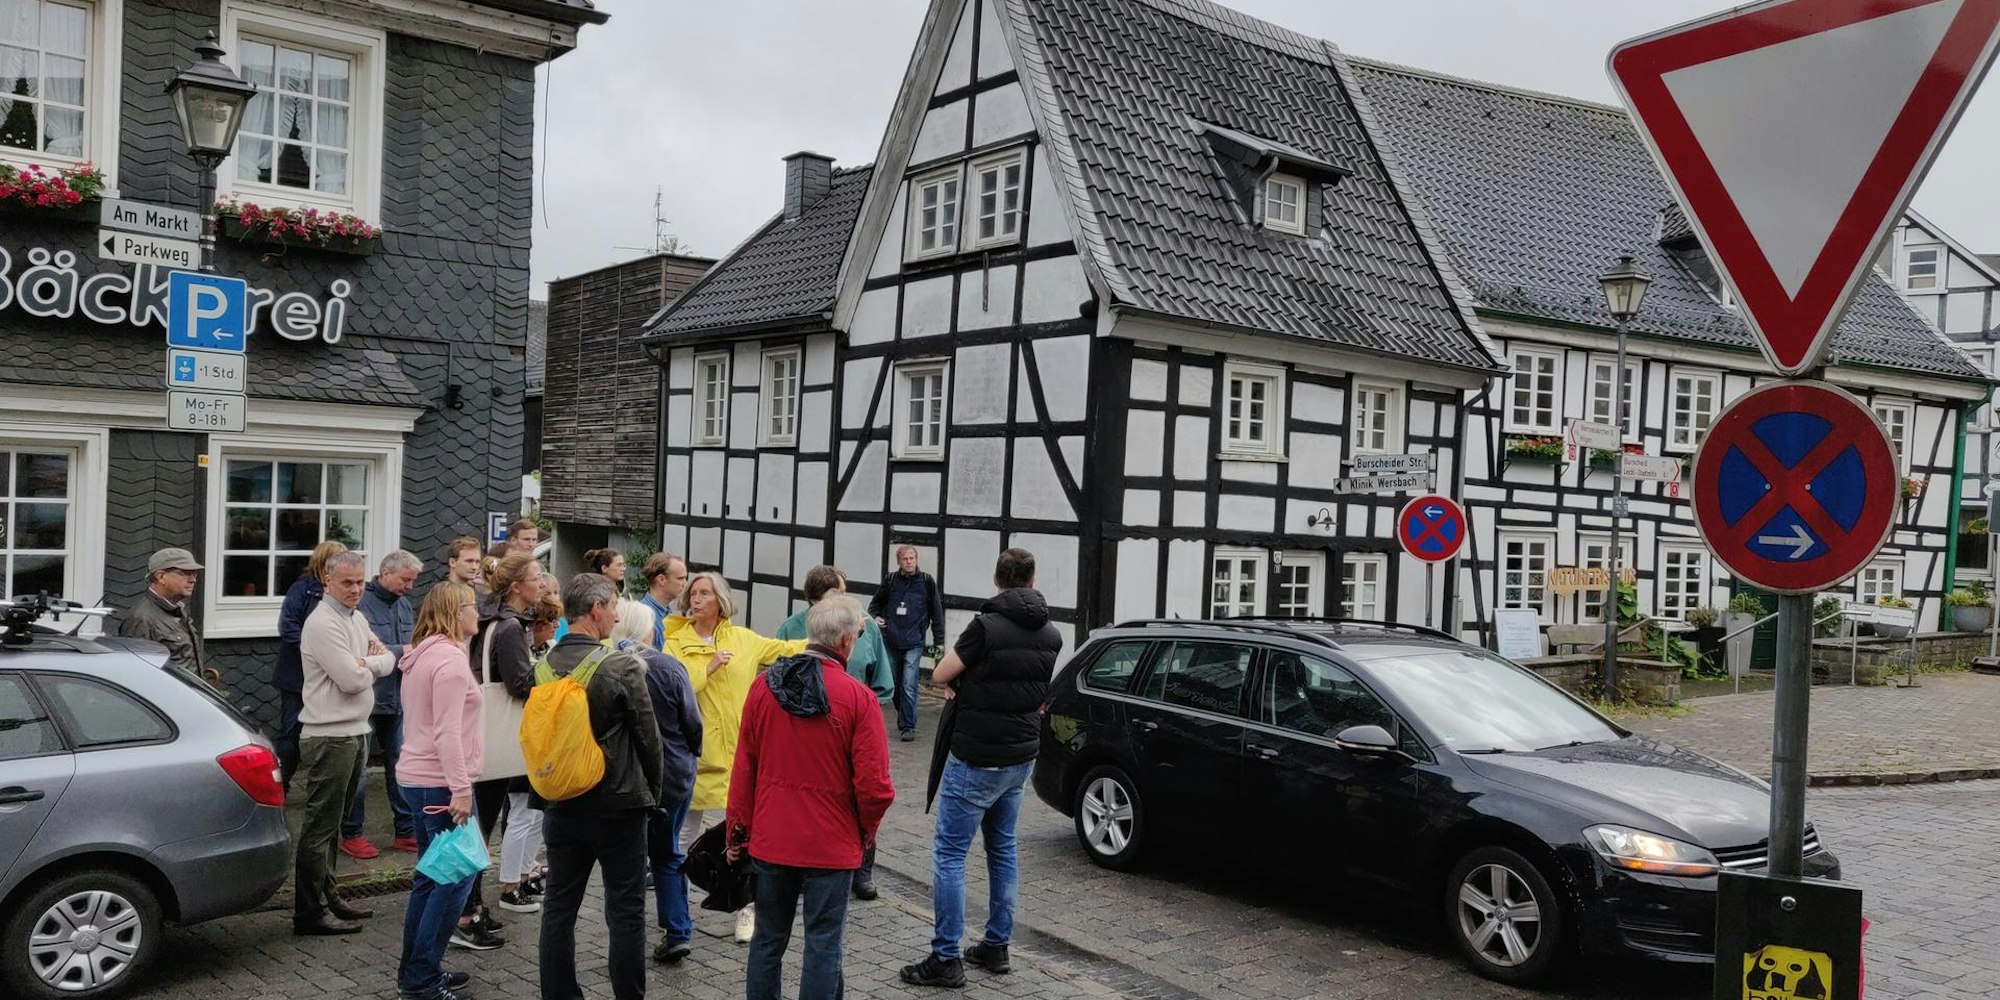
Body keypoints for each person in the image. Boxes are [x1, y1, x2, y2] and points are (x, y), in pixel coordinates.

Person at [900, 548, 1059, 988]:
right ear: (1032, 579)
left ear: (997, 579)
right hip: (1021, 755)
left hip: (976, 756)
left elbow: (941, 673)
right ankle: (996, 945)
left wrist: (960, 684)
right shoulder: (1051, 633)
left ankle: (946, 956)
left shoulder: (984, 627)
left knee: (950, 855)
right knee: (1003, 849)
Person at [729, 596, 895, 1000]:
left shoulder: (762, 689)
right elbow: (875, 787)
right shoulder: (859, 698)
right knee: (823, 943)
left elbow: (744, 769)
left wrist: (737, 833)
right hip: (831, 844)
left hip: (772, 838)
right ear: (845, 640)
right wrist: (864, 833)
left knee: (768, 938)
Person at [661, 572, 807, 944]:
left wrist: (831, 633)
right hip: (697, 755)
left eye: (705, 593)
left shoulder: (743, 639)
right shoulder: (674, 641)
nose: (696, 599)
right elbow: (669, 685)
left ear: (721, 600)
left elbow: (784, 650)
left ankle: (747, 910)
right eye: (693, 593)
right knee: (680, 841)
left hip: (742, 756)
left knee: (746, 838)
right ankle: (677, 919)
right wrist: (705, 670)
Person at [538, 573, 661, 1000]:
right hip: (619, 804)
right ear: (595, 610)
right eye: (612, 607)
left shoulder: (544, 664)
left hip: (562, 800)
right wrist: (654, 795)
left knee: (558, 909)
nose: (615, 615)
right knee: (625, 911)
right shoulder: (620, 665)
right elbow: (649, 739)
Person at [775, 565, 895, 900]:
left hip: (856, 725)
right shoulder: (790, 628)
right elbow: (776, 677)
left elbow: (883, 681)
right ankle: (802, 864)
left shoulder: (866, 629)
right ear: (817, 600)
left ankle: (863, 868)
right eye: (839, 594)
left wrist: (866, 712)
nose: (845, 601)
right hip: (805, 731)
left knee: (866, 790)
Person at [294, 550, 396, 937]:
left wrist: (365, 663)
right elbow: (353, 680)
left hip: (355, 731)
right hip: (329, 736)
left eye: (359, 582)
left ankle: (329, 894)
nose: (356, 590)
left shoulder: (357, 617)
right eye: (347, 583)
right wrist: (369, 664)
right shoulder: (321, 624)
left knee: (334, 825)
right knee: (320, 828)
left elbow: (387, 658)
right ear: (328, 583)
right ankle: (309, 911)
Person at [393, 581, 484, 1000]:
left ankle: (417, 971)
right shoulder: (447, 662)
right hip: (439, 785)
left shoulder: (424, 654)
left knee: (431, 879)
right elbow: (447, 732)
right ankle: (422, 980)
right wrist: (461, 789)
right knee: (454, 880)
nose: (478, 615)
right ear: (455, 611)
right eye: (472, 607)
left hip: (421, 779)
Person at [608, 599, 703, 965]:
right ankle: (677, 929)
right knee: (667, 853)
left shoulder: (608, 667)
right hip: (674, 774)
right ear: (648, 629)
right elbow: (692, 722)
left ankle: (628, 933)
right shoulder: (669, 667)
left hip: (627, 777)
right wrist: (692, 753)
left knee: (631, 857)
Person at [458, 552, 544, 947]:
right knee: (481, 826)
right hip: (496, 738)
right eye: (536, 577)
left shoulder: (492, 620)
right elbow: (519, 685)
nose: (541, 584)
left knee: (480, 824)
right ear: (516, 587)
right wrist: (545, 674)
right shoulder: (510, 627)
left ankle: (470, 903)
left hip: (483, 733)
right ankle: (467, 910)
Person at [344, 549, 422, 859]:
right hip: (366, 697)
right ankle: (351, 833)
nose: (410, 586)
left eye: (413, 581)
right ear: (385, 573)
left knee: (401, 766)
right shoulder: (360, 604)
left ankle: (405, 831)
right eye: (405, 579)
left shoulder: (403, 605)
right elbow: (360, 649)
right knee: (358, 769)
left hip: (397, 698)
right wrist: (405, 650)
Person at [275, 540, 348, 789]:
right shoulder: (302, 589)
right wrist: (316, 653)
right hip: (297, 677)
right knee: (291, 732)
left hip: (330, 677)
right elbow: (288, 627)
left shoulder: (341, 594)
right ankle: (279, 786)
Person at [868, 545, 945, 743]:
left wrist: (940, 642)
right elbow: (874, 606)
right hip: (891, 640)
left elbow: (937, 613)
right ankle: (905, 715)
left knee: (909, 684)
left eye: (912, 558)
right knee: (893, 684)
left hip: (914, 642)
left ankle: (908, 726)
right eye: (905, 559)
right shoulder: (891, 580)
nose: (909, 562)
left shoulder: (926, 581)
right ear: (899, 562)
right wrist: (876, 618)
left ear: (916, 560)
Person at [119, 547, 207, 675]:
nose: (193, 580)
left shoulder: (177, 609)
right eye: (185, 573)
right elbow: (137, 675)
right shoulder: (141, 619)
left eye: (194, 574)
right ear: (161, 577)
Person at [639, 553, 688, 648]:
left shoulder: (666, 613)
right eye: (680, 578)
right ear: (661, 579)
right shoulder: (644, 618)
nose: (685, 583)